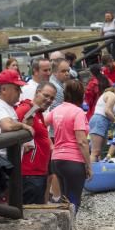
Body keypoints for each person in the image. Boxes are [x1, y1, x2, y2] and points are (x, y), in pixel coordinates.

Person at [44, 80, 91, 213]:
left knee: (65, 199)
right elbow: (82, 141)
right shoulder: (78, 112)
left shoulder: (56, 110)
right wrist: (88, 165)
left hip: (56, 160)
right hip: (73, 161)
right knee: (74, 199)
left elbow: (42, 125)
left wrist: (51, 144)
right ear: (80, 95)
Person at [15, 82, 57, 204]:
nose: (49, 100)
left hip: (38, 172)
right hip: (29, 173)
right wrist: (22, 145)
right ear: (37, 93)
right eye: (46, 95)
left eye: (52, 98)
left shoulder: (36, 112)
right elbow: (10, 130)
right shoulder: (26, 109)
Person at [0, 69, 34, 136]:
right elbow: (7, 125)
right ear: (3, 90)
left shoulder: (5, 104)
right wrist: (22, 125)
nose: (20, 92)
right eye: (17, 89)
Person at [88, 84, 115, 162]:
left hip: (102, 122)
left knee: (98, 152)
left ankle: (98, 171)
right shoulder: (112, 95)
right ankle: (92, 173)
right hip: (100, 120)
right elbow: (107, 111)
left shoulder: (107, 94)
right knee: (95, 151)